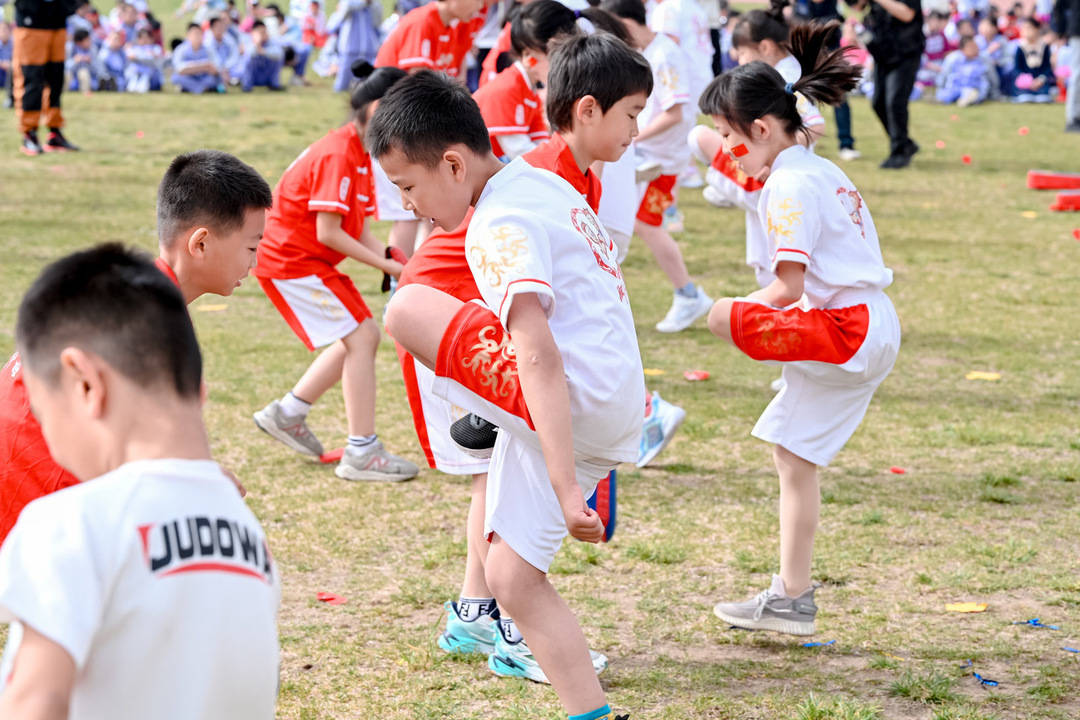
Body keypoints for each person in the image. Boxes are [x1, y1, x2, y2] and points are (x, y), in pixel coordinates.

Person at [372, 70, 640, 720]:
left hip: (572, 400)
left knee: (405, 308)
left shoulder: (497, 221)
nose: (407, 205)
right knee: (511, 579)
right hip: (614, 399)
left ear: (453, 165)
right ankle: (592, 713)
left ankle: (487, 415)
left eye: (407, 186)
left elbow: (538, 351)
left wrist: (568, 488)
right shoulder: (542, 182)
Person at [0, 244, 280, 719]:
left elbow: (34, 701)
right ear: (199, 389)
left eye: (45, 415)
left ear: (85, 384)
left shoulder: (69, 526)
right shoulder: (251, 541)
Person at [699, 20, 899, 636]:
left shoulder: (787, 184)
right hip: (867, 321)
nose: (729, 150)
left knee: (725, 320)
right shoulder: (815, 168)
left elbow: (786, 288)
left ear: (761, 130)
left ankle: (792, 596)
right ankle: (791, 594)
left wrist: (732, 314)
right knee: (792, 454)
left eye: (730, 137)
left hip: (846, 328)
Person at [0, 150, 272, 549]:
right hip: (31, 496)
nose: (256, 262)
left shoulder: (133, 293)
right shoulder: (147, 323)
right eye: (251, 247)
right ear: (200, 243)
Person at [251, 67, 419, 483]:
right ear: (377, 112)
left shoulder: (357, 152)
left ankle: (289, 412)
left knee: (356, 336)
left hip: (305, 260)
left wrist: (395, 259)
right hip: (292, 260)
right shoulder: (339, 154)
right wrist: (389, 266)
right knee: (363, 335)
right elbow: (329, 232)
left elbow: (355, 229)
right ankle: (362, 450)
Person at [602, 0, 713, 334]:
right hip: (649, 155)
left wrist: (632, 135)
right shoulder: (651, 52)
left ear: (626, 23)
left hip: (661, 159)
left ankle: (688, 294)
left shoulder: (664, 55)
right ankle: (687, 294)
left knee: (646, 224)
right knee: (638, 223)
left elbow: (675, 112)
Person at [471, 0, 577, 160]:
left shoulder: (529, 91)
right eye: (557, 58)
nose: (563, 66)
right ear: (529, 56)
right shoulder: (506, 88)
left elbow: (541, 142)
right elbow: (518, 151)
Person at [851, 0, 923, 169]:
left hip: (905, 54)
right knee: (878, 103)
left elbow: (907, 14)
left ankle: (899, 152)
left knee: (895, 102)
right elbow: (857, 6)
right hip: (883, 55)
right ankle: (905, 143)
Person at [11, 0, 80, 155]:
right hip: (31, 23)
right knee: (31, 80)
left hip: (57, 20)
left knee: (56, 80)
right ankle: (29, 133)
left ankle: (54, 132)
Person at [327, 0, 381, 91]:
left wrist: (371, 4)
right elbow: (345, 10)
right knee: (342, 85)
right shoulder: (348, 2)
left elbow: (377, 21)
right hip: (350, 48)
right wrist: (363, 3)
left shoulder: (373, 4)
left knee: (368, 83)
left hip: (368, 49)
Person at [1009, 17, 1055, 102]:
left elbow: (1047, 67)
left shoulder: (1044, 46)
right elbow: (1017, 68)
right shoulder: (1020, 47)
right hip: (1025, 81)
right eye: (1024, 28)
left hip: (1040, 81)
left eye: (1029, 28)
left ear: (1037, 29)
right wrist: (1027, 80)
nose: (1026, 31)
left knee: (1043, 97)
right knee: (1025, 96)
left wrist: (1040, 79)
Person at [172, 21, 224, 92]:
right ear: (188, 35)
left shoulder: (208, 48)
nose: (196, 37)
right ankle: (202, 88)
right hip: (189, 76)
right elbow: (179, 68)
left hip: (204, 77)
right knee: (176, 77)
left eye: (199, 34)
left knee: (217, 77)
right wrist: (200, 66)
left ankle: (192, 88)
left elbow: (217, 66)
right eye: (194, 34)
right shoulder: (181, 49)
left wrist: (212, 69)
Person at [937, 35, 990, 105]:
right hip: (953, 89)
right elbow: (943, 75)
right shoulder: (952, 58)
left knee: (971, 94)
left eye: (975, 46)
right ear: (962, 49)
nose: (975, 49)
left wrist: (981, 96)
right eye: (971, 47)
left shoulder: (981, 60)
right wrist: (940, 89)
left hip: (970, 89)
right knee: (944, 96)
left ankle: (967, 99)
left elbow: (984, 82)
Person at [1052, 0, 1079, 130]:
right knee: (1078, 75)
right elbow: (1059, 7)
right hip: (1078, 31)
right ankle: (1073, 117)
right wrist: (1061, 30)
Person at [242, 19, 284, 90]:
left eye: (264, 32)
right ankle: (247, 85)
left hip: (266, 75)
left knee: (276, 59)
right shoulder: (247, 41)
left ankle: (274, 84)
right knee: (248, 59)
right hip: (252, 77)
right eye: (260, 33)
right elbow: (249, 54)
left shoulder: (271, 42)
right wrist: (257, 44)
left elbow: (279, 54)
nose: (263, 35)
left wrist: (263, 51)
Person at [125, 26, 164, 91]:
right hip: (135, 72)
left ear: (151, 39)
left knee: (145, 77)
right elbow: (130, 56)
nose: (144, 40)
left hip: (150, 74)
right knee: (133, 77)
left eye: (147, 38)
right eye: (142, 38)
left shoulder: (155, 48)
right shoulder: (134, 48)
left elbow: (157, 58)